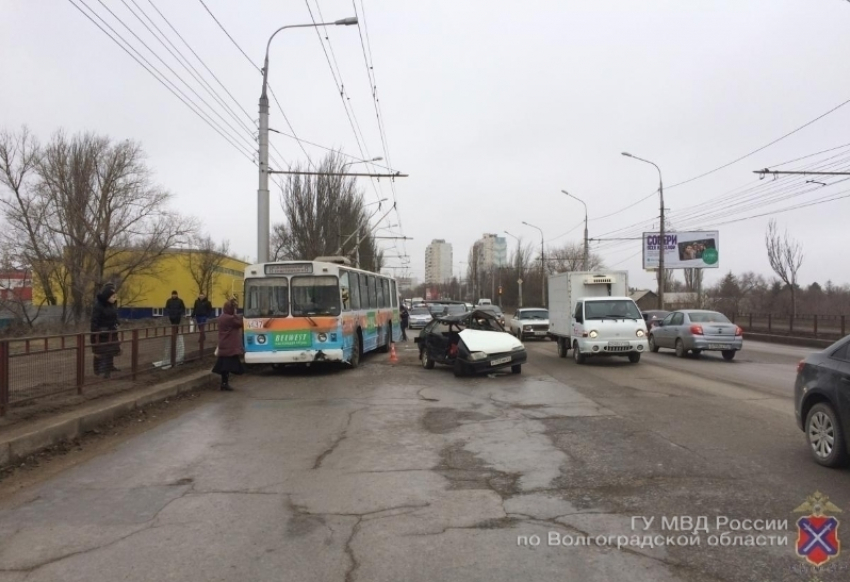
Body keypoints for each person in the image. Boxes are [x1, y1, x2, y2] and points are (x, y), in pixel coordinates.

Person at [212, 298, 244, 391]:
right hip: (230, 345)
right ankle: (224, 383)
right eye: (233, 308)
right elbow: (240, 322)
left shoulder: (221, 317)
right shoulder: (230, 318)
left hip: (223, 344)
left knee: (224, 366)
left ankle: (224, 383)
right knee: (227, 365)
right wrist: (235, 314)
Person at [90, 284, 121, 378]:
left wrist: (117, 323)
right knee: (100, 352)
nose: (115, 298)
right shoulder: (99, 306)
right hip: (102, 333)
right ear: (107, 296)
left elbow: (114, 316)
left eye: (115, 296)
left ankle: (109, 368)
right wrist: (97, 331)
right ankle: (97, 369)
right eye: (113, 296)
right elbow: (94, 321)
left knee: (111, 350)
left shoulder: (112, 305)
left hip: (112, 331)